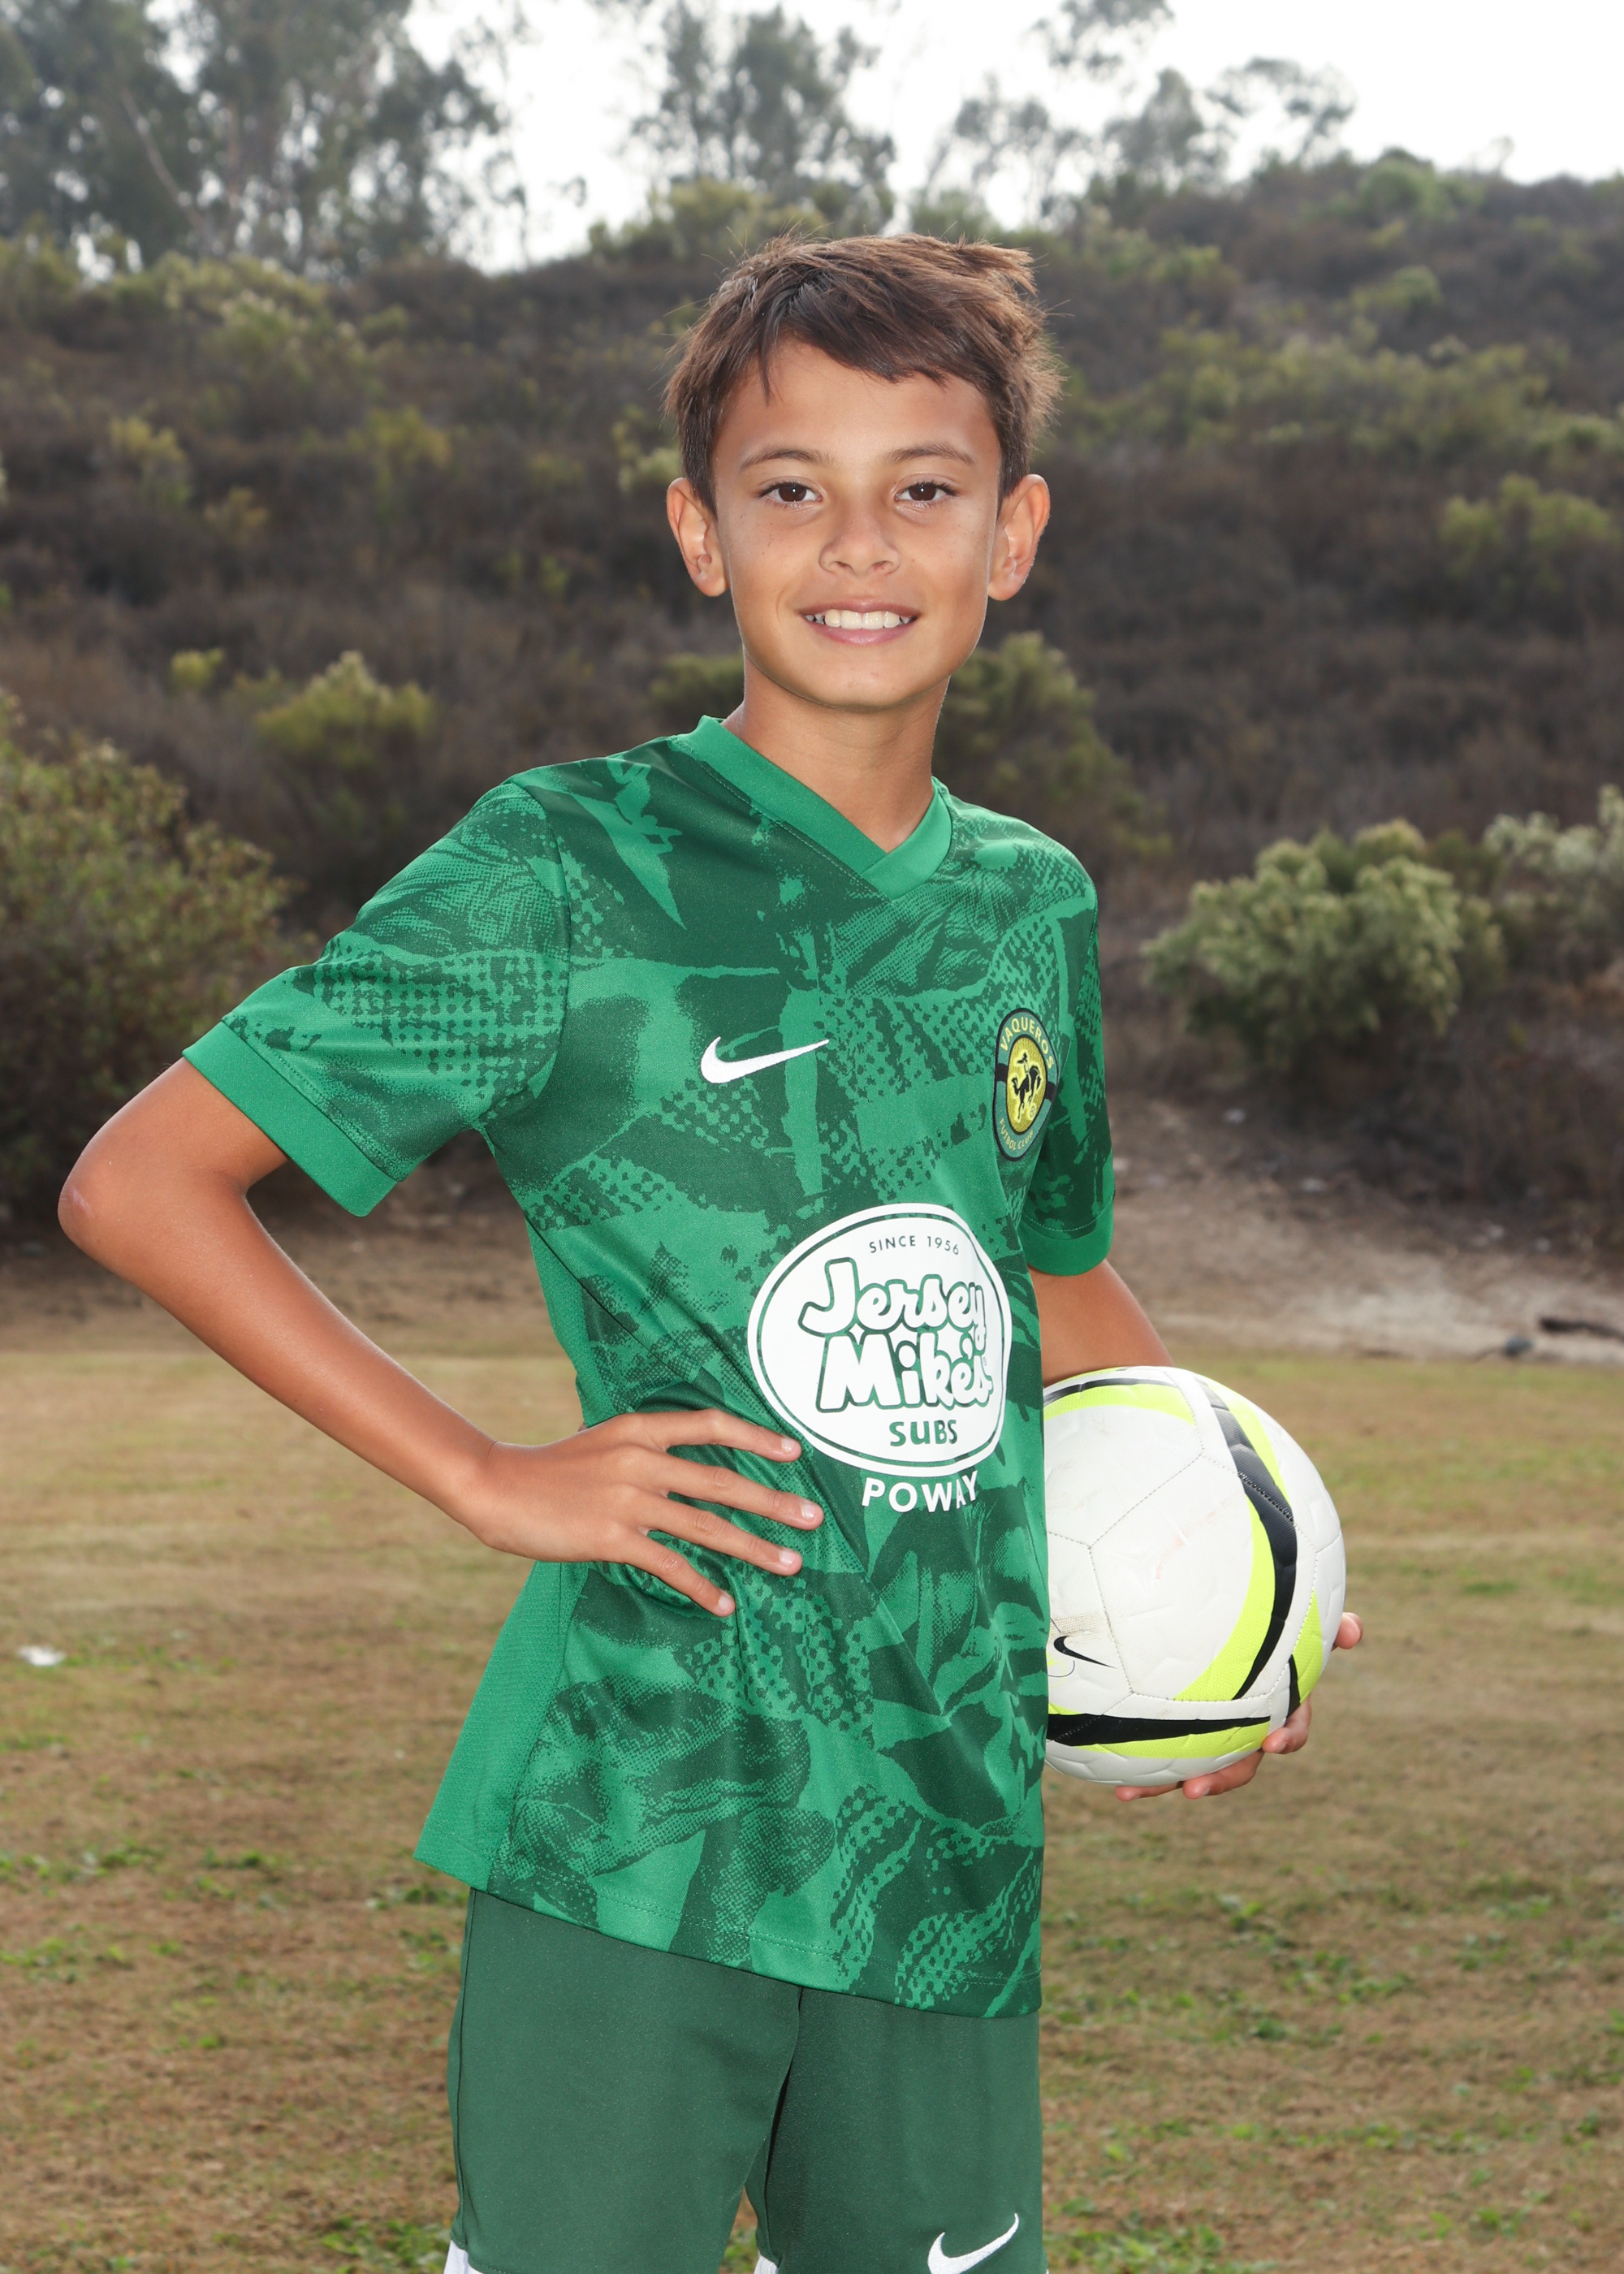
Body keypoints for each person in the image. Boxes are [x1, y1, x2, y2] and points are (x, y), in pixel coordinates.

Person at [60, 234, 1360, 2274]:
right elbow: (142, 1181)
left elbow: (1049, 1286)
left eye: (922, 486)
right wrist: (482, 1471)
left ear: (1012, 534)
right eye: (789, 487)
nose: (859, 542)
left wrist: (1232, 1587)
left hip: (941, 1824)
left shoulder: (1029, 902)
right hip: (637, 1815)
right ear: (700, 531)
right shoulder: (564, 870)